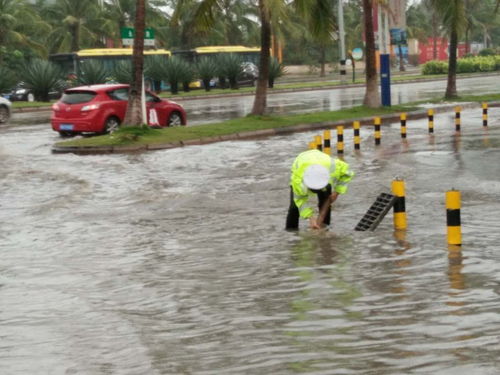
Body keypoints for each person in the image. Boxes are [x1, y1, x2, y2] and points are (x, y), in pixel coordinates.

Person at [286, 149, 354, 230]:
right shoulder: (298, 180)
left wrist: (337, 192)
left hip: (322, 162)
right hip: (302, 160)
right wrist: (310, 217)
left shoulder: (333, 168)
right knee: (294, 207)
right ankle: (291, 232)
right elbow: (300, 200)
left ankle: (325, 228)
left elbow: (348, 173)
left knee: (325, 201)